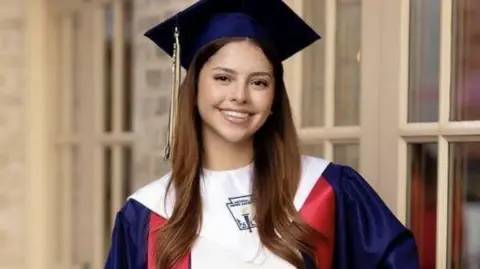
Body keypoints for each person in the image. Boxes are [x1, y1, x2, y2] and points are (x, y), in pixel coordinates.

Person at [104, 0, 420, 268]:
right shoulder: (148, 213)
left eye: (259, 82)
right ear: (194, 87)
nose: (240, 96)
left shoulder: (327, 189)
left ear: (274, 99)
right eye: (223, 78)